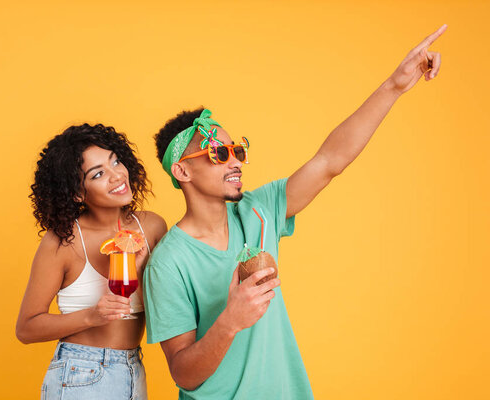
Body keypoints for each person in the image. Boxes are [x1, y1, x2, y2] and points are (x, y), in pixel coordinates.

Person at [143, 25, 447, 399]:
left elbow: (329, 160)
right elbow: (183, 374)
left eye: (237, 150)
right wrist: (229, 322)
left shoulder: (259, 211)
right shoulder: (168, 262)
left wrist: (394, 86)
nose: (235, 161)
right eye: (218, 154)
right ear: (182, 171)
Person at [16, 123, 167, 399]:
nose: (117, 176)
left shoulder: (152, 227)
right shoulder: (64, 241)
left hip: (134, 369)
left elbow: (172, 298)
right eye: (98, 174)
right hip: (80, 373)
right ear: (77, 192)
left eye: (116, 162)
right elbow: (26, 328)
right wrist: (91, 316)